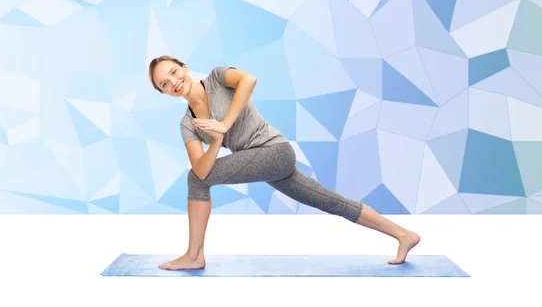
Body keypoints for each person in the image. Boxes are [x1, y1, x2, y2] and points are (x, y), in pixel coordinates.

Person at [148, 55, 421, 270]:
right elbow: (202, 168)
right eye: (164, 84)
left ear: (184, 67)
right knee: (330, 201)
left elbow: (249, 80)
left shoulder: (218, 78)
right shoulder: (188, 125)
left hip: (275, 152)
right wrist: (218, 139)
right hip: (263, 163)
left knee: (195, 180)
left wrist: (224, 124)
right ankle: (403, 234)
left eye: (173, 72)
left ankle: (195, 255)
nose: (173, 81)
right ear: (165, 93)